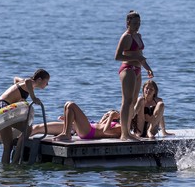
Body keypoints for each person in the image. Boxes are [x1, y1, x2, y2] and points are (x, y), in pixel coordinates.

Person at [0, 69, 50, 163]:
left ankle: (5, 173)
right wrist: (33, 98)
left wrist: (19, 98)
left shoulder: (24, 84)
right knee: (28, 129)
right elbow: (28, 81)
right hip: (3, 107)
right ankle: (15, 162)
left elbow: (15, 79)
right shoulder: (29, 83)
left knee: (8, 146)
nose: (47, 84)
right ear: (39, 80)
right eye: (46, 82)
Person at [115, 10, 153, 141]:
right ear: (128, 22)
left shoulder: (138, 35)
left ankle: (129, 131)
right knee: (127, 101)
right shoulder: (125, 37)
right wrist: (135, 57)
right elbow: (117, 56)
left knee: (134, 101)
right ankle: (123, 133)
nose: (137, 25)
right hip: (128, 69)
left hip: (137, 70)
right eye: (135, 23)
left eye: (139, 23)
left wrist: (148, 68)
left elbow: (140, 56)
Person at [48, 102, 122, 141]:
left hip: (89, 132)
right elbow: (101, 127)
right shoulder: (107, 123)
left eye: (108, 114)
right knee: (67, 105)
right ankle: (64, 133)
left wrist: (111, 116)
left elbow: (106, 131)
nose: (107, 114)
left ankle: (67, 135)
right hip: (88, 130)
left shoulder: (119, 127)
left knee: (71, 105)